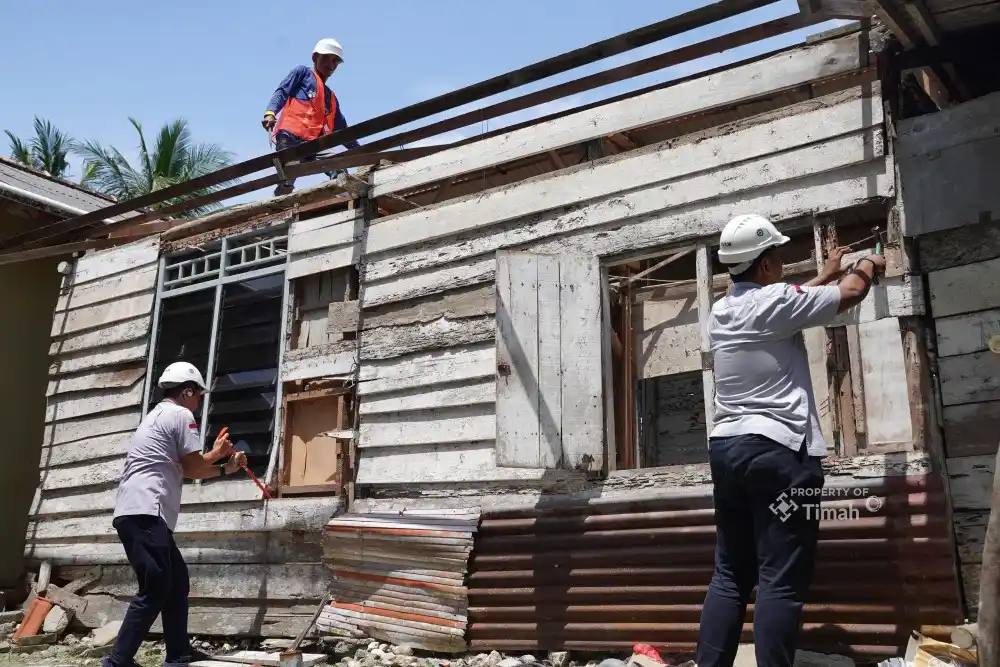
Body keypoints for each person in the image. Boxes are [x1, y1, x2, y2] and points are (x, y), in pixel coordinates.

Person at [695, 214, 886, 667]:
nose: (781, 262)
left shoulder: (722, 310)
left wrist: (826, 273)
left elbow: (789, 302)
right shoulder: (776, 302)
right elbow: (851, 295)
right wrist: (870, 262)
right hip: (780, 457)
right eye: (777, 255)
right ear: (764, 265)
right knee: (780, 578)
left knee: (729, 575)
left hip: (728, 452)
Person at [103, 361, 248, 667]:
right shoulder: (181, 415)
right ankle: (117, 662)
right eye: (198, 396)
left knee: (177, 581)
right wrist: (227, 467)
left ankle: (179, 654)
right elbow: (194, 469)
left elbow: (183, 464)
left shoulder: (157, 416)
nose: (199, 403)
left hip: (138, 512)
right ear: (187, 391)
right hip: (147, 511)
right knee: (155, 586)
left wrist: (218, 456)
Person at [262, 38, 362, 197]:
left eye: (335, 61)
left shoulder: (330, 98)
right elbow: (282, 91)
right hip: (290, 139)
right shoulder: (303, 73)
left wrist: (360, 152)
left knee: (338, 165)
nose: (331, 64)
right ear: (315, 58)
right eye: (327, 58)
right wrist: (270, 112)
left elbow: (343, 131)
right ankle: (278, 210)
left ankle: (346, 201)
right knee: (287, 179)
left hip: (314, 143)